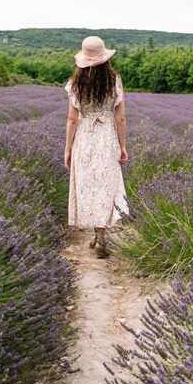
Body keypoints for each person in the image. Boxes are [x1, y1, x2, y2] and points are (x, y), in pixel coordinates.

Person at [64, 36, 129, 258]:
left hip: (84, 138)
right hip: (107, 138)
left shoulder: (76, 83)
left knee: (90, 184)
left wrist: (68, 149)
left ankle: (98, 234)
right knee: (105, 184)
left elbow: (72, 120)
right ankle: (101, 235)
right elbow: (120, 119)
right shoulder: (115, 81)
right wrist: (123, 146)